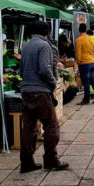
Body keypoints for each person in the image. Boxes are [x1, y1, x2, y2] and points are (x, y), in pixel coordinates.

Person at [20, 21, 69, 173]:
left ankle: (26, 162)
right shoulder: (44, 45)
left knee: (29, 129)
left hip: (26, 91)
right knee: (51, 126)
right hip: (40, 92)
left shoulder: (26, 46)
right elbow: (45, 69)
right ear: (47, 33)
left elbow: (21, 71)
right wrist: (53, 82)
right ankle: (50, 160)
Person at [76, 23, 94, 105]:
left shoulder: (79, 40)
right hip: (91, 62)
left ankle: (86, 99)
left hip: (84, 63)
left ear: (79, 30)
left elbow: (78, 54)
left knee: (85, 82)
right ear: (86, 30)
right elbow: (93, 51)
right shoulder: (91, 39)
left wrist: (78, 62)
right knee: (92, 80)